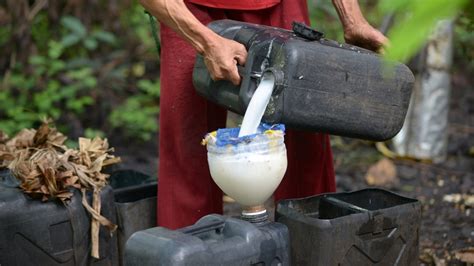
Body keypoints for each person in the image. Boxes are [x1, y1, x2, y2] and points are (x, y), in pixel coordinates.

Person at [139, 0, 388, 229]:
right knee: (189, 143)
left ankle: (312, 246)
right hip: (188, 7)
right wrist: (205, 41)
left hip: (277, 3)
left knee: (305, 130)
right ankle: (187, 250)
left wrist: (353, 18)